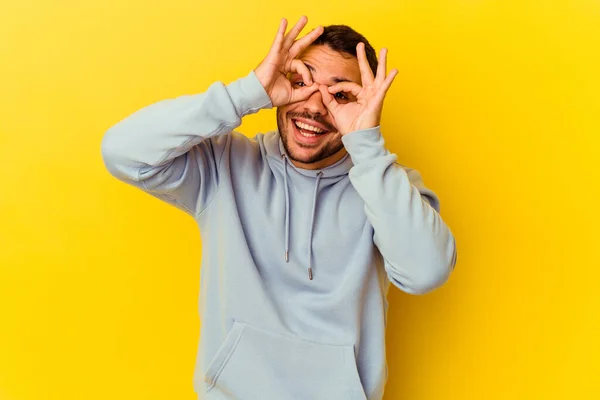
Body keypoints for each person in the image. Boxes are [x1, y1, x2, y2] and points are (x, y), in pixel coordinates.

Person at [101, 16, 457, 400]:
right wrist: (246, 93)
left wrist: (366, 146)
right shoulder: (225, 165)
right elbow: (121, 152)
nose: (315, 106)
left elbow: (427, 272)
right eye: (301, 82)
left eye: (340, 95)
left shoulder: (384, 185)